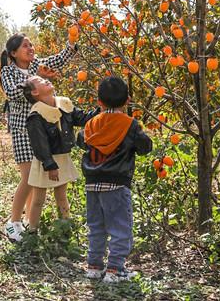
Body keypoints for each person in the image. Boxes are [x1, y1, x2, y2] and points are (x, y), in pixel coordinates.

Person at [0, 33, 77, 242]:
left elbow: (58, 60)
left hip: (44, 130)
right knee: (27, 178)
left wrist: (71, 42)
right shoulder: (8, 71)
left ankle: (27, 220)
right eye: (26, 46)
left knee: (36, 180)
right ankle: (13, 221)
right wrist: (35, 80)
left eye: (31, 44)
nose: (31, 48)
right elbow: (12, 93)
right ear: (14, 53)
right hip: (23, 130)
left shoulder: (37, 65)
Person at [77, 76, 152, 283]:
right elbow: (144, 146)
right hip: (117, 184)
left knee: (96, 225)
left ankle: (94, 265)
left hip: (92, 184)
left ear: (99, 102)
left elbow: (81, 141)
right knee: (120, 227)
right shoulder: (129, 125)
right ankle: (115, 269)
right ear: (127, 100)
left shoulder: (92, 124)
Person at [22, 76, 98, 232]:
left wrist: (101, 110)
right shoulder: (36, 115)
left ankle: (65, 224)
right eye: (41, 81)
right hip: (46, 161)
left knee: (61, 195)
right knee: (38, 199)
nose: (46, 80)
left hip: (62, 157)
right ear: (35, 92)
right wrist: (49, 165)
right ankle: (32, 230)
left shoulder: (64, 104)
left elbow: (83, 118)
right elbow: (39, 144)